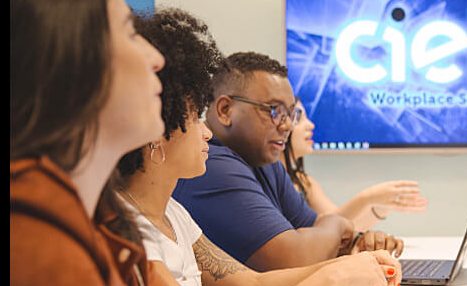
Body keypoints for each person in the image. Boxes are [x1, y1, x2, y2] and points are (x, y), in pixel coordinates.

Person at [10, 0, 467, 286]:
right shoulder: (33, 234)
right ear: (66, 61)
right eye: (127, 32)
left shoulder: (98, 217)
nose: (155, 59)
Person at [117, 7, 401, 286]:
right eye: (195, 117)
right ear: (156, 131)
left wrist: (346, 267)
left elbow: (252, 285)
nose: (206, 131)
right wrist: (335, 274)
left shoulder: (175, 215)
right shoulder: (125, 231)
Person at [172, 52, 404, 272]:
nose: (286, 126)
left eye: (291, 114)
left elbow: (315, 230)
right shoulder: (211, 164)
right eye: (274, 111)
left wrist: (356, 241)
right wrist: (338, 225)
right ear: (225, 110)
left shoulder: (264, 161)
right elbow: (295, 259)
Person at [279, 98, 428, 234]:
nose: (310, 125)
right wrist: (367, 198)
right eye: (298, 119)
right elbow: (324, 228)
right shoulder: (270, 184)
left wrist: (381, 207)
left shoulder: (304, 182)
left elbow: (345, 229)